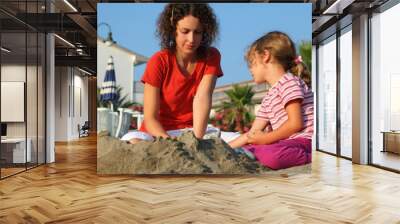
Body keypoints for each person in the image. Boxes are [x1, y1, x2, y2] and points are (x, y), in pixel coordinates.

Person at [121, 3, 223, 144]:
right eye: (185, 31)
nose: (192, 39)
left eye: (198, 32)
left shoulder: (211, 56)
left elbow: (202, 97)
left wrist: (196, 142)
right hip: (158, 132)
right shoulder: (159, 61)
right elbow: (150, 119)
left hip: (192, 131)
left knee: (237, 141)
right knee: (132, 140)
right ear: (172, 30)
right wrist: (172, 144)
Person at [227, 31, 313, 170]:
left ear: (265, 56)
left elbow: (295, 124)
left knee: (270, 155)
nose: (250, 69)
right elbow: (252, 134)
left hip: (304, 141)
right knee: (251, 150)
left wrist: (265, 139)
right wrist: (225, 148)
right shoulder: (268, 97)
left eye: (251, 63)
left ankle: (311, 157)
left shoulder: (288, 82)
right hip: (286, 143)